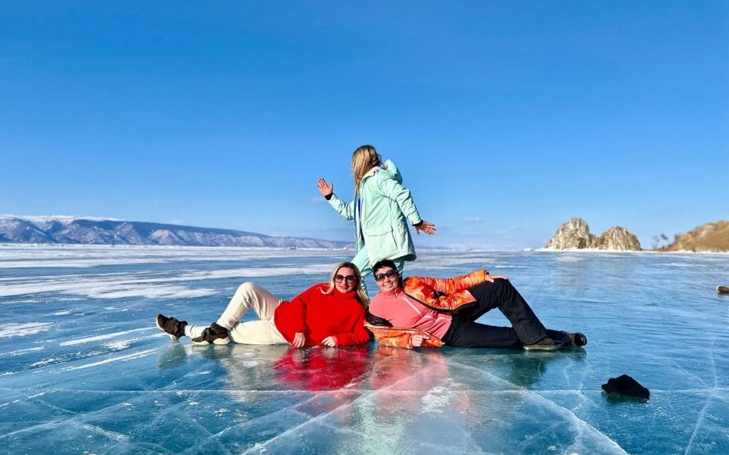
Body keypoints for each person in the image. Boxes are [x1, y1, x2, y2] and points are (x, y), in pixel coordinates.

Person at [366, 259, 587, 351]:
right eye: (380, 277)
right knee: (508, 337)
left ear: (397, 273)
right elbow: (382, 337)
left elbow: (450, 284)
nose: (386, 279)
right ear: (376, 281)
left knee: (499, 286)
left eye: (389, 274)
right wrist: (408, 340)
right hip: (449, 333)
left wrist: (482, 277)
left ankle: (537, 339)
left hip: (457, 308)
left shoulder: (413, 282)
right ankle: (564, 336)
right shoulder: (377, 306)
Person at [155, 262, 371, 348]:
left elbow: (362, 335)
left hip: (281, 332)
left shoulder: (357, 308)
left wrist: (339, 338)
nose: (344, 282)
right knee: (248, 288)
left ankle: (180, 329)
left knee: (233, 333)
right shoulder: (321, 288)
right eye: (340, 277)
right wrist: (300, 328)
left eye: (350, 278)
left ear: (356, 280)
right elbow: (298, 304)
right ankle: (219, 329)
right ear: (334, 278)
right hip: (282, 311)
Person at [317, 145, 436, 291]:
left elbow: (402, 194)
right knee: (354, 276)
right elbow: (349, 212)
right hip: (375, 244)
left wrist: (416, 221)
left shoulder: (377, 178)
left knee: (392, 288)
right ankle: (366, 312)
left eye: (354, 163)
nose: (353, 168)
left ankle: (395, 312)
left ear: (361, 162)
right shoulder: (365, 187)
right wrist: (330, 197)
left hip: (391, 243)